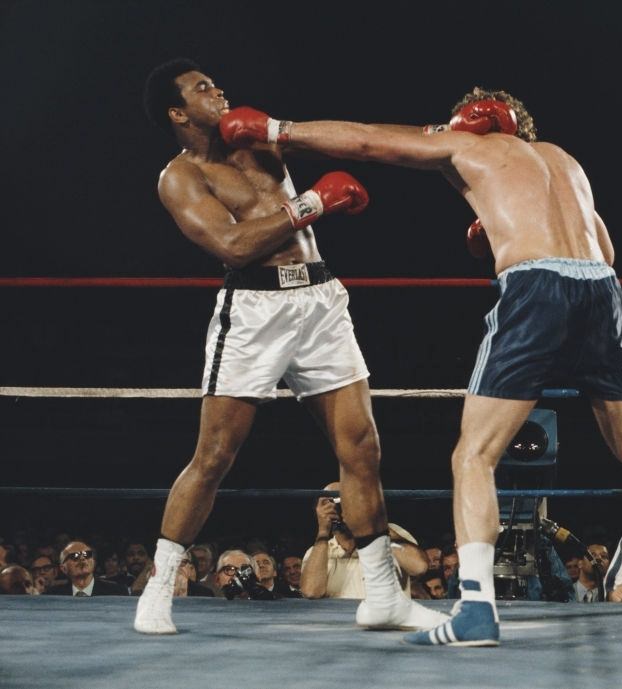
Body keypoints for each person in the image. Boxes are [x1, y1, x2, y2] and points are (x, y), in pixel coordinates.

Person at [218, 87, 622, 644]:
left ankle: (475, 611)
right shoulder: (564, 159)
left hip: (536, 287)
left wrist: (279, 130)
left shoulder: (466, 149)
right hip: (601, 291)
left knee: (474, 454)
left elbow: (370, 141)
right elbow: (607, 254)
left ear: (469, 123)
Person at [134, 59, 447, 635]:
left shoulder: (256, 140)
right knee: (215, 456)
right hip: (254, 312)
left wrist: (439, 135)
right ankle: (158, 589)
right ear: (178, 113)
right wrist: (314, 204)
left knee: (362, 448)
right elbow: (231, 245)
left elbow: (351, 140)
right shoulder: (180, 177)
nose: (219, 89)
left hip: (321, 299)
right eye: (203, 88)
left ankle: (383, 596)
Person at [301, 482, 429, 599]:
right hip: (339, 623)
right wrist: (323, 531)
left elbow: (419, 567)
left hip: (384, 622)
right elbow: (311, 592)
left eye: (344, 500)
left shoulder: (388, 533)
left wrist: (370, 522)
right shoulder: (317, 552)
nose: (337, 507)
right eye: (328, 502)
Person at [44, 541, 129, 596]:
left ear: (93, 562)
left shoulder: (117, 592)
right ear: (63, 568)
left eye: (87, 555)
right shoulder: (52, 595)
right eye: (75, 556)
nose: (82, 559)